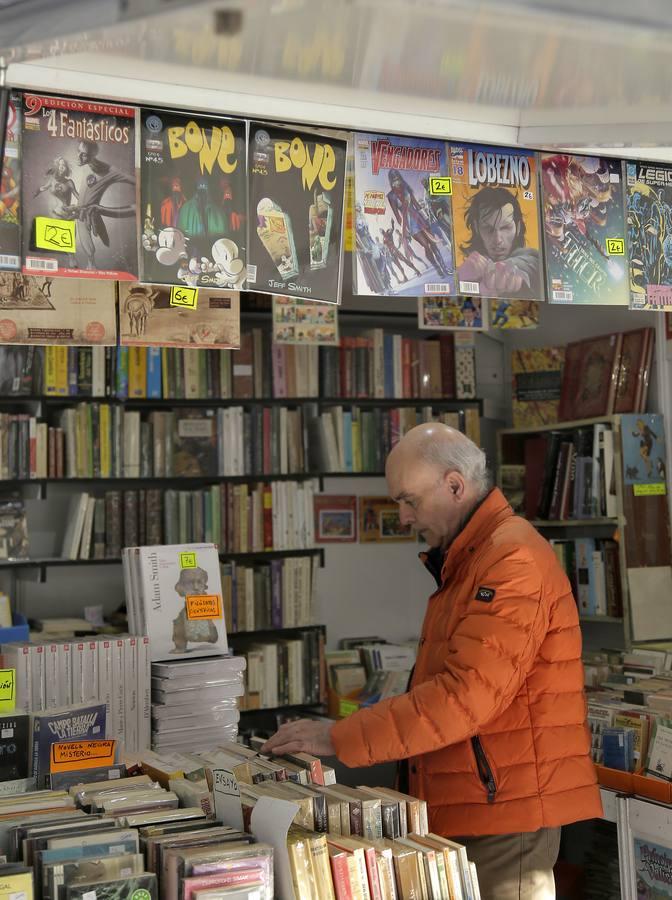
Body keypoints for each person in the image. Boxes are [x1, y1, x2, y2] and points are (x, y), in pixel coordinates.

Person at [262, 422, 603, 900]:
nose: (402, 517)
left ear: (455, 486)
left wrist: (336, 735)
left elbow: (463, 698)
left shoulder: (512, 561)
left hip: (505, 811)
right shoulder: (472, 558)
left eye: (409, 501)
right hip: (475, 801)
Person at [458, 186, 539, 298]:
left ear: (518, 227)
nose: (498, 240)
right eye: (488, 229)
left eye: (506, 227)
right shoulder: (468, 266)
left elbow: (530, 261)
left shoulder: (530, 258)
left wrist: (510, 270)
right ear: (477, 228)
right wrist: (460, 276)